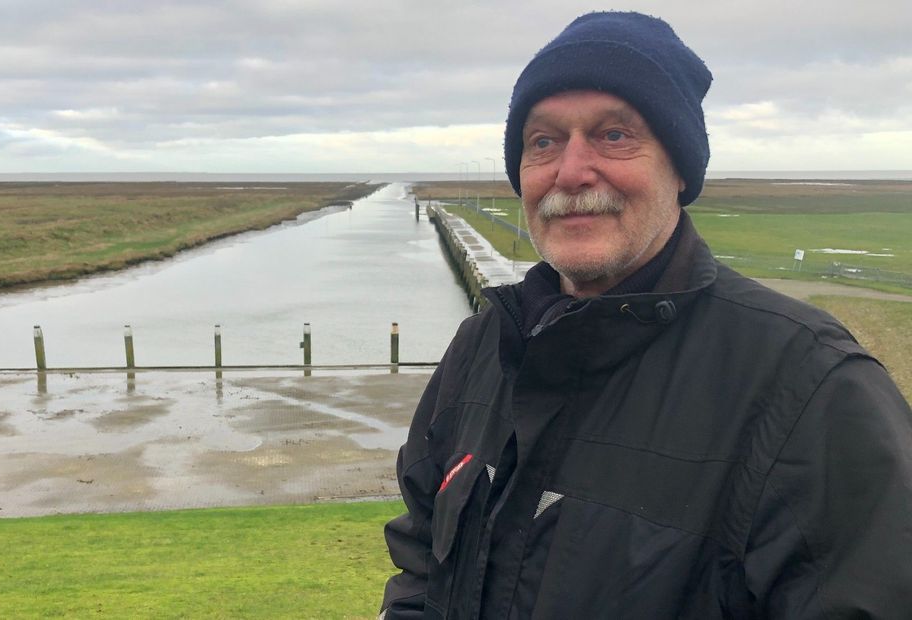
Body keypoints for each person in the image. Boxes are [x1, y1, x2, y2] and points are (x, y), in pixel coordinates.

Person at [380, 11, 912, 619]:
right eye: (543, 141)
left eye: (613, 135)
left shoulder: (811, 388)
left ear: (680, 167)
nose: (572, 173)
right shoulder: (482, 348)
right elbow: (421, 558)